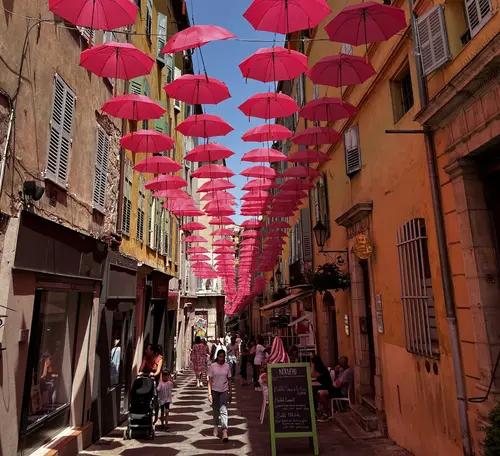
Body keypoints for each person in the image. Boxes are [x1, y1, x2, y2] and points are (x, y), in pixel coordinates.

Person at [207, 349, 232, 442]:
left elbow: (229, 380)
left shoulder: (227, 366)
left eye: (223, 357)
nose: (221, 358)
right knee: (216, 410)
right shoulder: (212, 366)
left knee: (224, 410)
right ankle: (216, 426)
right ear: (217, 357)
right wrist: (209, 393)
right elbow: (209, 381)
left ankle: (225, 430)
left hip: (224, 391)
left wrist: (231, 392)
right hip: (214, 391)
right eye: (220, 356)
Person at [311, 355, 334, 422]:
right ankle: (318, 411)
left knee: (317, 393)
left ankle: (326, 412)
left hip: (328, 387)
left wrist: (312, 366)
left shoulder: (321, 369)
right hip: (323, 386)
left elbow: (312, 375)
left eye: (312, 362)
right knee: (314, 392)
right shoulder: (320, 368)